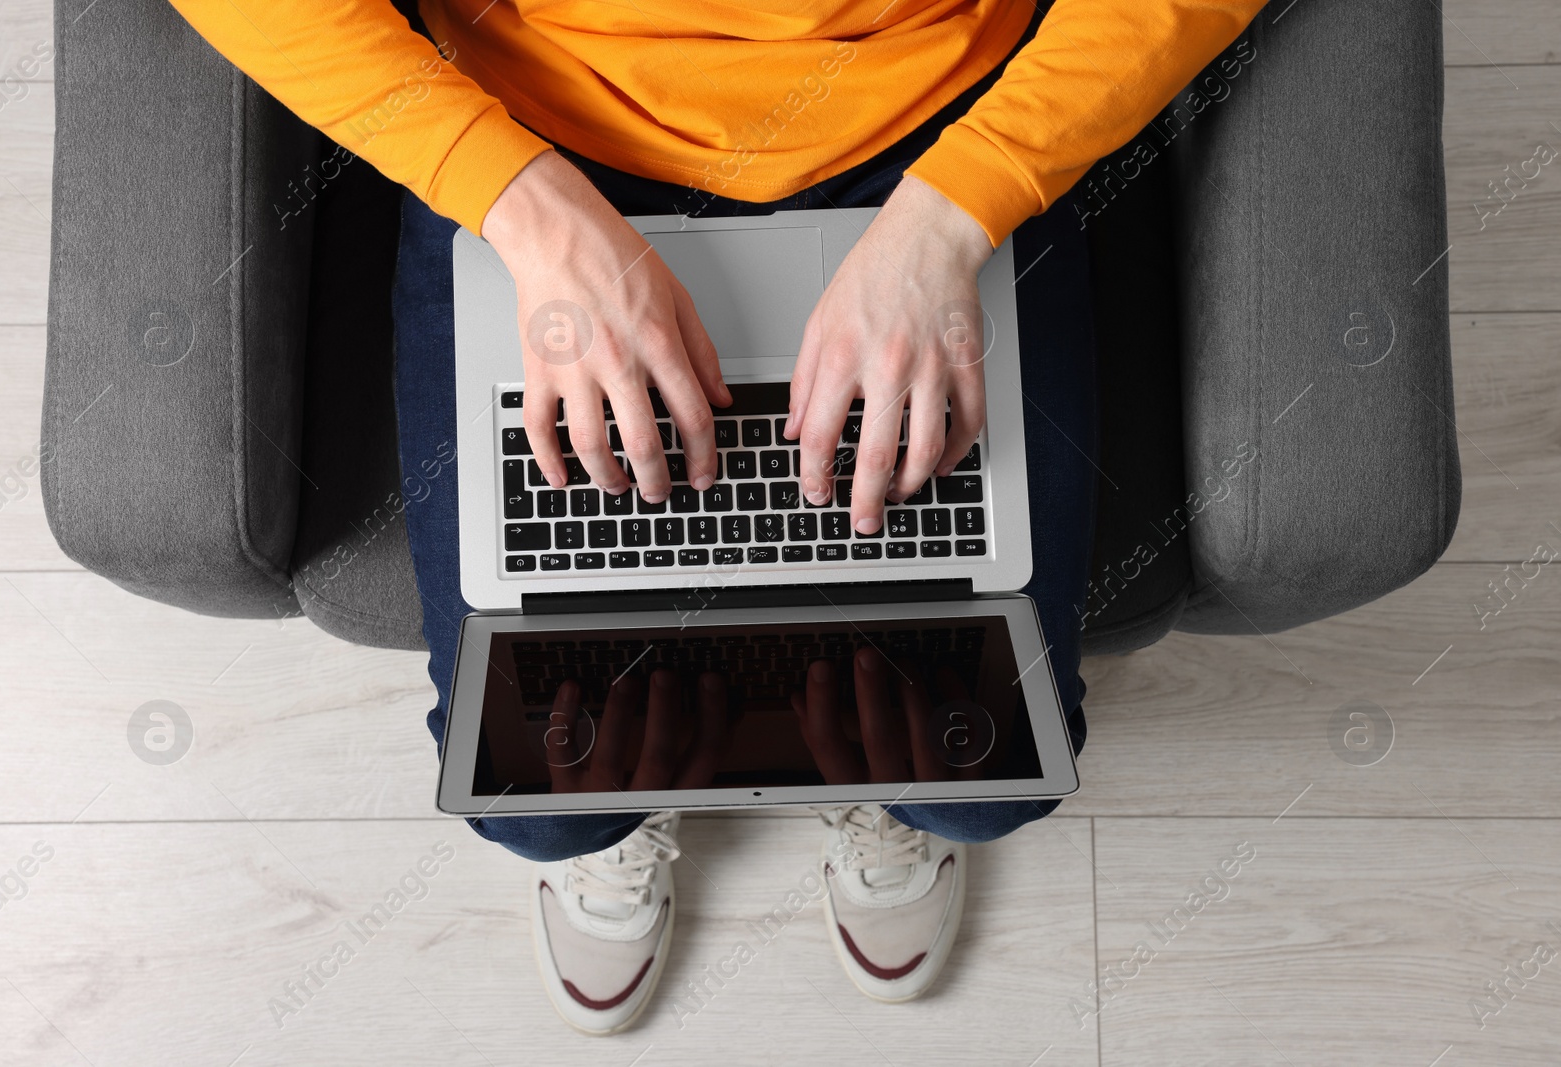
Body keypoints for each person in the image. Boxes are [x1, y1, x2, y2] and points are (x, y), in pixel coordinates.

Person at [171, 0, 1265, 1035]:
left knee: (971, 779)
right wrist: (525, 208)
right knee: (542, 800)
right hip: (536, 137)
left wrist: (955, 212)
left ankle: (881, 795)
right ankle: (622, 821)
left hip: (931, 129)